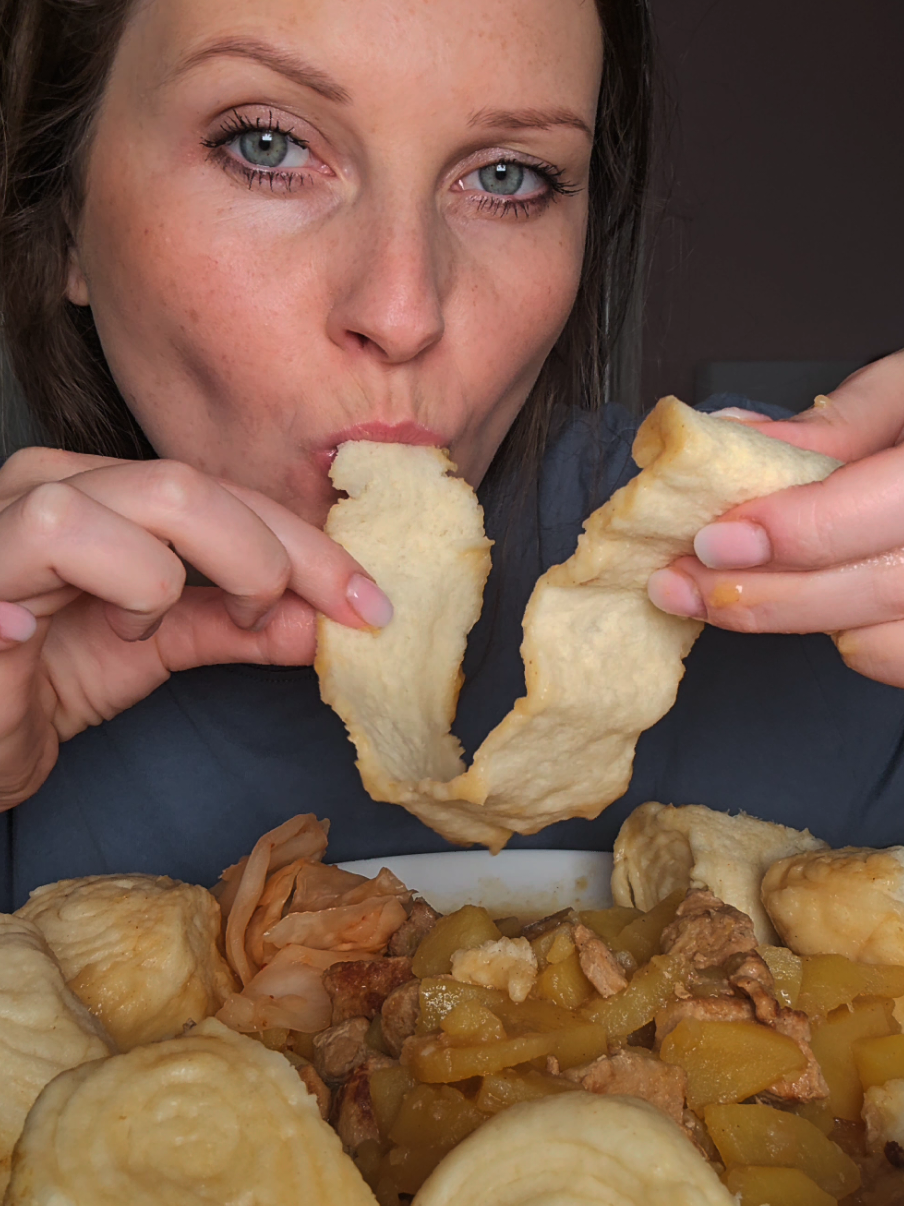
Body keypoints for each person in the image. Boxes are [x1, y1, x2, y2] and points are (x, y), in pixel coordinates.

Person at [0, 0, 902, 913]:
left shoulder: (838, 582)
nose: (402, 312)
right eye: (266, 146)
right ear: (67, 212)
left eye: (509, 176)